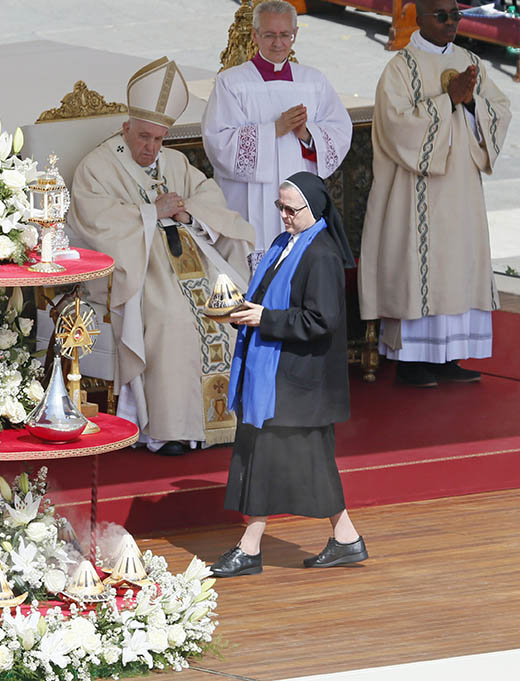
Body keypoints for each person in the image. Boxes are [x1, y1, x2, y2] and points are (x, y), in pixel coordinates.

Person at [68, 57, 254, 455]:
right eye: (144, 137)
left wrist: (188, 212)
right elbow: (96, 223)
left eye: (159, 139)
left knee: (228, 310)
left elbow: (206, 194)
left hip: (191, 263)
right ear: (126, 128)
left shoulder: (173, 161)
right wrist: (154, 212)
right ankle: (168, 430)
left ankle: (216, 424)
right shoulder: (97, 167)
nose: (151, 148)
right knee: (173, 318)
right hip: (140, 268)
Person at [211, 172, 366, 578]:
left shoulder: (322, 255)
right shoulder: (285, 244)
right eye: (279, 207)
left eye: (290, 209)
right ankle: (346, 539)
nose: (283, 215)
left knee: (265, 456)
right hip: (278, 376)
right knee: (310, 462)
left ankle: (250, 547)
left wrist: (265, 318)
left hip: (298, 381)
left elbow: (322, 321)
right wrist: (245, 312)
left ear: (312, 210)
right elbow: (266, 300)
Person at [358, 0, 511, 387]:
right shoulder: (399, 68)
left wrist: (473, 101)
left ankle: (449, 357)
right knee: (420, 266)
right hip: (416, 191)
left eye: (455, 16)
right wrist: (449, 101)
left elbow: (500, 109)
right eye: (440, 16)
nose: (450, 23)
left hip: (461, 190)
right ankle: (412, 361)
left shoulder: (468, 59)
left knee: (457, 265)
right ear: (419, 18)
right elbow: (397, 128)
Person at [201, 0, 351, 272]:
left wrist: (307, 134)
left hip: (298, 196)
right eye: (269, 34)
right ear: (256, 35)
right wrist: (274, 130)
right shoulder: (232, 83)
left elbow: (339, 132)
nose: (278, 42)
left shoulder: (313, 82)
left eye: (285, 35)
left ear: (295, 34)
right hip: (248, 201)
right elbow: (218, 143)